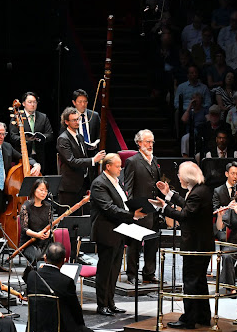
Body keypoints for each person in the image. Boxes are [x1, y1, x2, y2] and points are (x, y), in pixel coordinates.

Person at [26, 242, 103, 332]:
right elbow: (75, 309)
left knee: (56, 321)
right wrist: (81, 326)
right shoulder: (66, 281)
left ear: (45, 257)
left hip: (35, 327)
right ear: (64, 261)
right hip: (59, 330)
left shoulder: (32, 276)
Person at [153, 161, 214, 329]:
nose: (178, 177)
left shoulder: (197, 193)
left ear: (187, 177)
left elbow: (185, 215)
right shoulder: (202, 190)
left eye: (180, 174)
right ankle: (202, 316)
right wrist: (169, 194)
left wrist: (164, 207)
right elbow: (189, 206)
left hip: (195, 245)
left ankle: (189, 319)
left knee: (191, 282)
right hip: (202, 244)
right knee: (199, 282)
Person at [91, 153, 146, 316]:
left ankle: (111, 302)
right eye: (117, 165)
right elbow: (108, 208)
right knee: (105, 270)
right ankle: (102, 304)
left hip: (119, 231)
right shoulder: (99, 184)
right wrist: (132, 215)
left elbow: (122, 203)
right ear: (108, 166)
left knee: (114, 269)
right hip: (106, 231)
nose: (120, 168)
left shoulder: (116, 182)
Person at [57, 107, 105, 258]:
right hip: (69, 187)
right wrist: (93, 160)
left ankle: (75, 253)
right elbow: (72, 161)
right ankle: (67, 254)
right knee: (68, 223)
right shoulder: (63, 139)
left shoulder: (79, 136)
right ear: (66, 122)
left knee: (78, 223)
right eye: (74, 120)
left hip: (81, 185)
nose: (77, 122)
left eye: (78, 119)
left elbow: (82, 156)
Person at [124, 130, 161, 285]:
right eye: (147, 142)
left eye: (152, 142)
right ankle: (132, 273)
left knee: (153, 243)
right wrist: (132, 210)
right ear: (139, 143)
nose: (150, 145)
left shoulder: (154, 160)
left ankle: (149, 272)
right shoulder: (133, 161)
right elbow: (129, 187)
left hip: (154, 209)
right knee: (135, 244)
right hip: (139, 209)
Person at [8, 92, 53, 173]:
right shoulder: (17, 117)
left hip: (39, 155)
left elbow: (50, 134)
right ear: (23, 103)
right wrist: (25, 139)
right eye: (30, 102)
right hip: (22, 156)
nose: (32, 104)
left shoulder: (43, 117)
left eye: (34, 102)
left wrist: (40, 138)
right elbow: (13, 136)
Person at [19, 178, 52, 268]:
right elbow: (24, 228)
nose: (44, 193)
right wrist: (37, 235)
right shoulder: (26, 206)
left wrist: (49, 232)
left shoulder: (48, 206)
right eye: (41, 190)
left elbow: (51, 224)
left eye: (46, 191)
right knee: (38, 256)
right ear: (34, 190)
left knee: (56, 252)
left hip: (45, 241)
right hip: (29, 243)